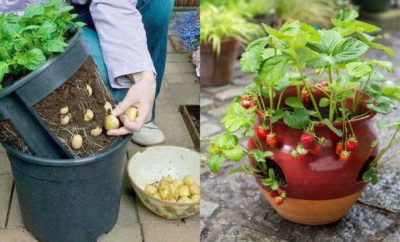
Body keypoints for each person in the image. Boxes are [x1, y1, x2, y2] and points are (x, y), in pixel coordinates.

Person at [0, 0, 174, 146]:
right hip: (27, 14)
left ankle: (140, 110)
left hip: (79, 7)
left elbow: (115, 4)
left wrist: (143, 76)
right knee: (95, 72)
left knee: (159, 4)